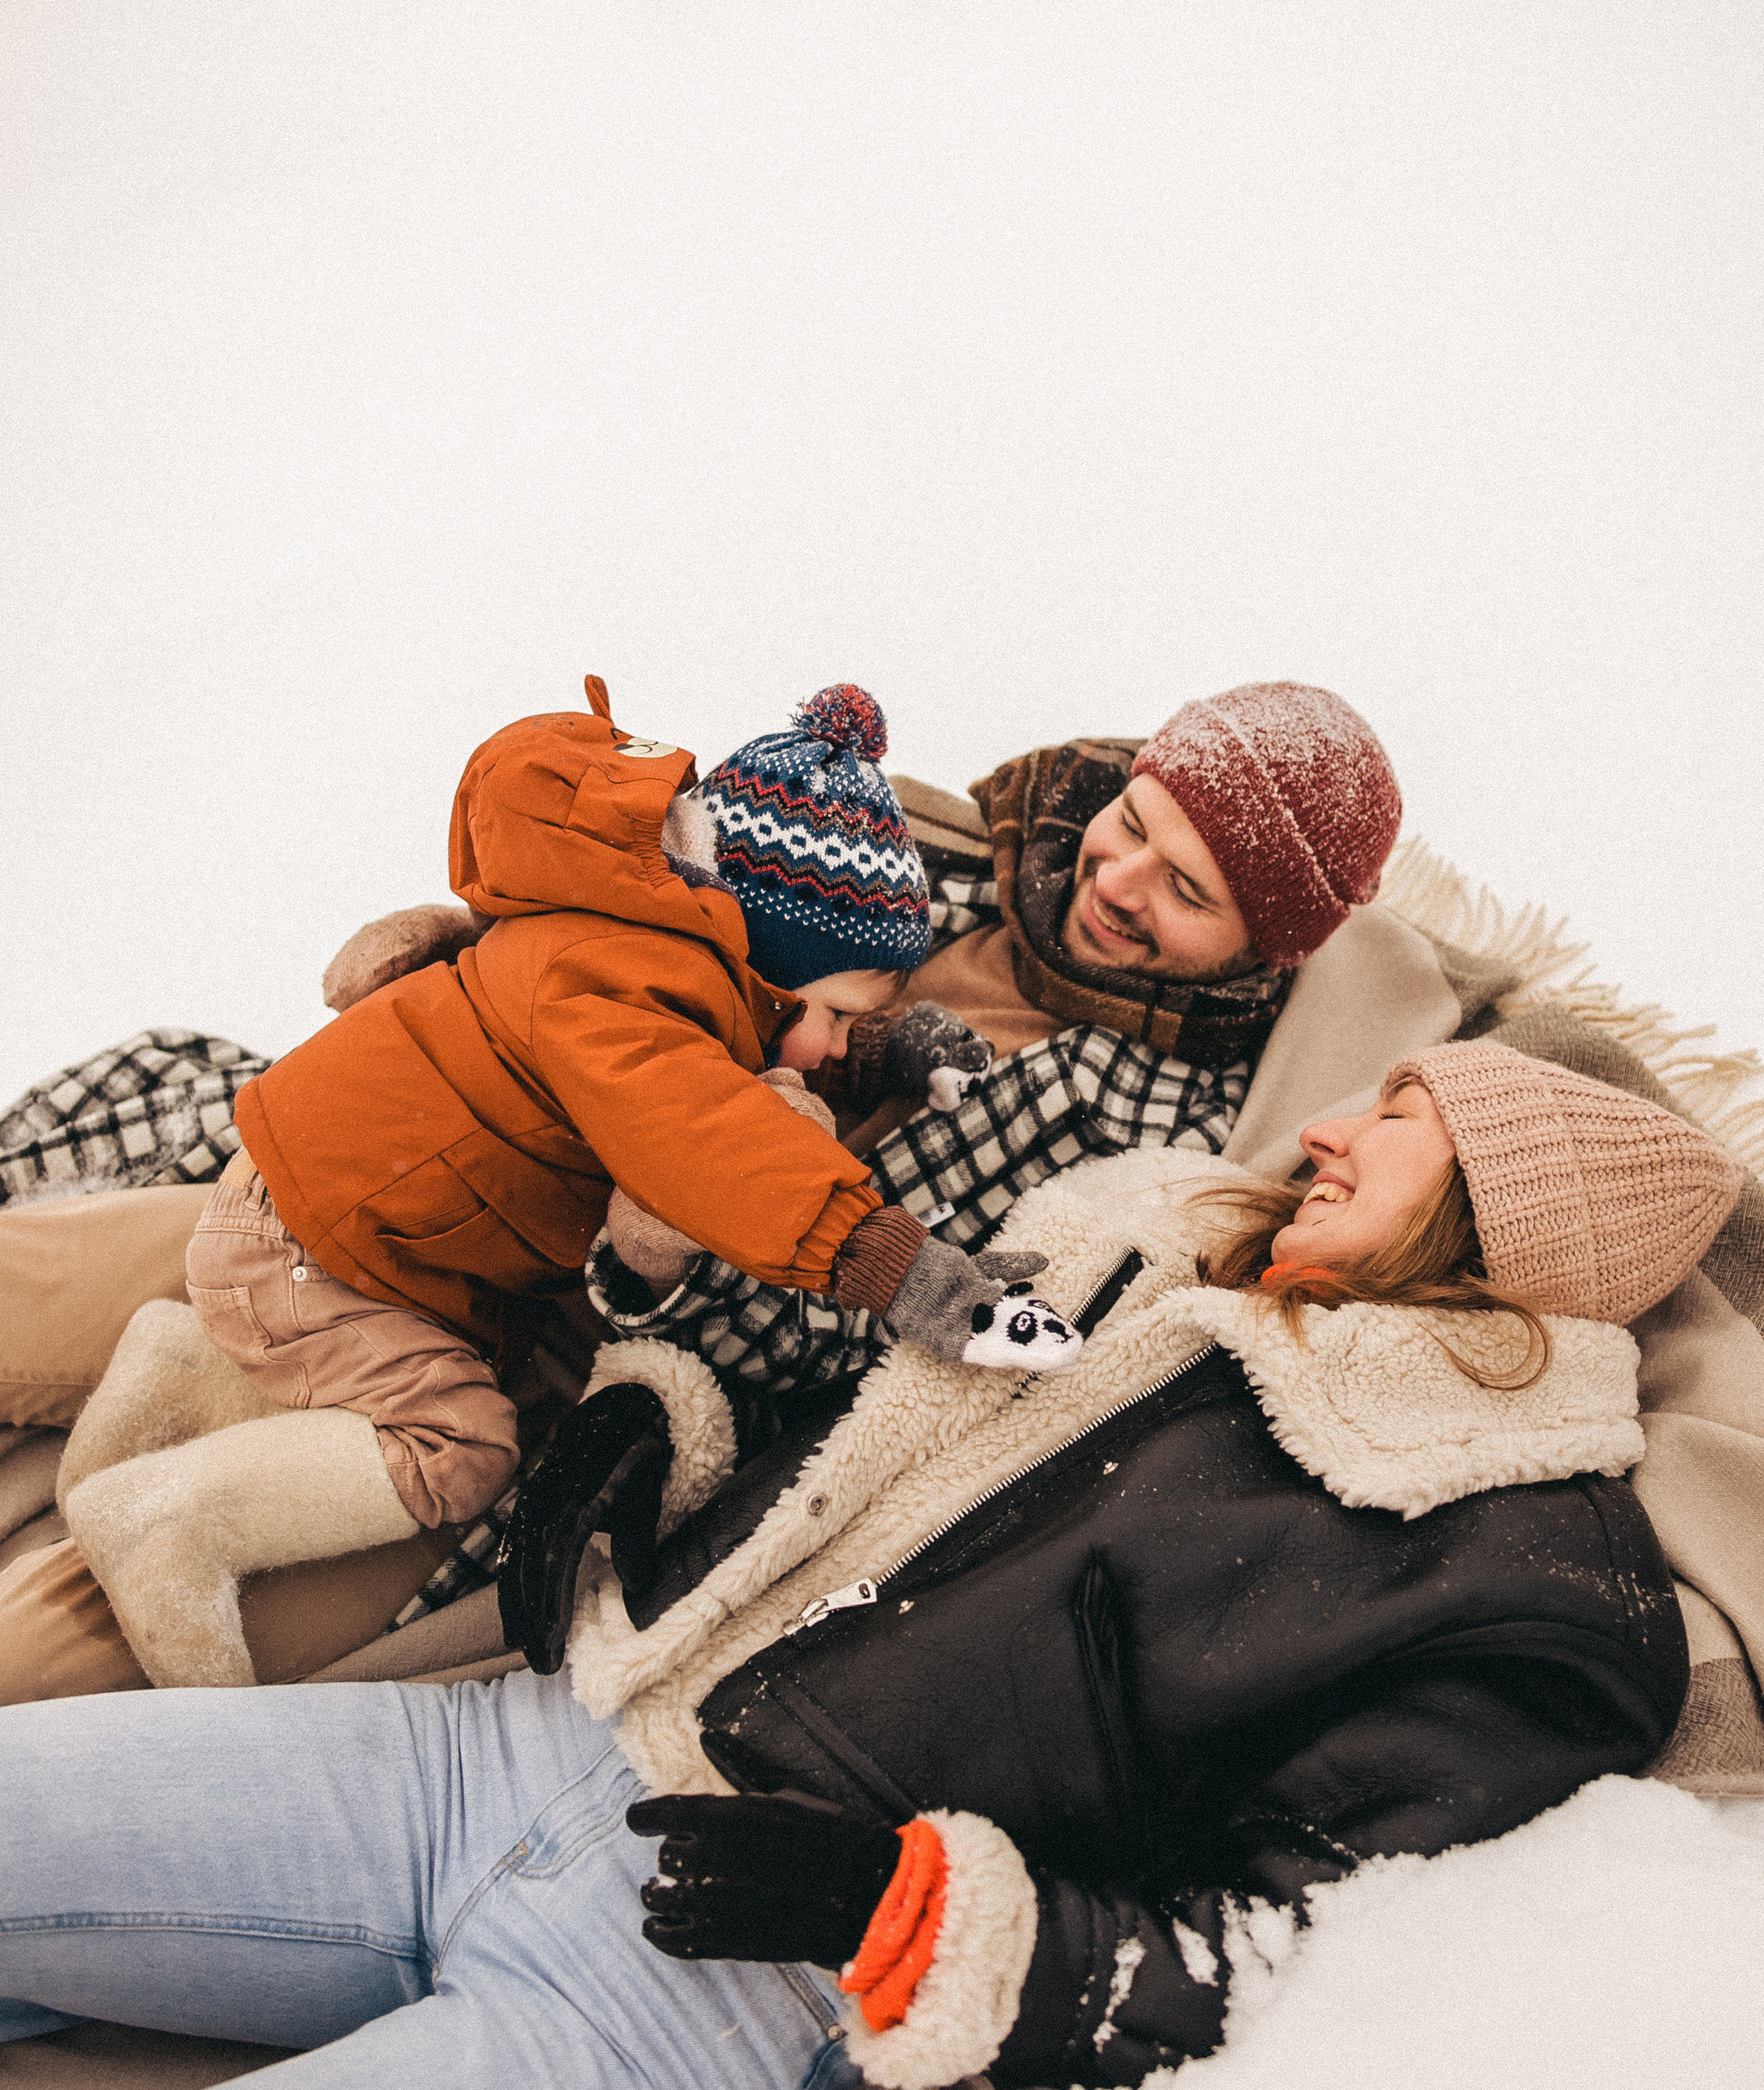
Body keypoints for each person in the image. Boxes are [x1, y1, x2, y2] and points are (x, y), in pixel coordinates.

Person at [0, 1037, 1743, 2090]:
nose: (1320, 1130)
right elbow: (842, 1414)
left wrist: (908, 1909)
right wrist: (645, 1438)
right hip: (507, 1751)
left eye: (1394, 1125)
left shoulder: (1522, 1583)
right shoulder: (1144, 1237)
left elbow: (1262, 1963)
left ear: (1510, 1219)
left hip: (706, 1993)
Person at [0, 679, 1418, 1702]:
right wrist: (468, 950)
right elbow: (632, 891)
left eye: (1190, 892)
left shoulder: (1135, 1119)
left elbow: (840, 1337)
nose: (1124, 877)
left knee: (95, 1626)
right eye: (1139, 823)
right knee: (46, 1283)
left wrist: (649, 1284)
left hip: (562, 1359)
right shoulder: (940, 840)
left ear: (1259, 949)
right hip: (423, 1165)